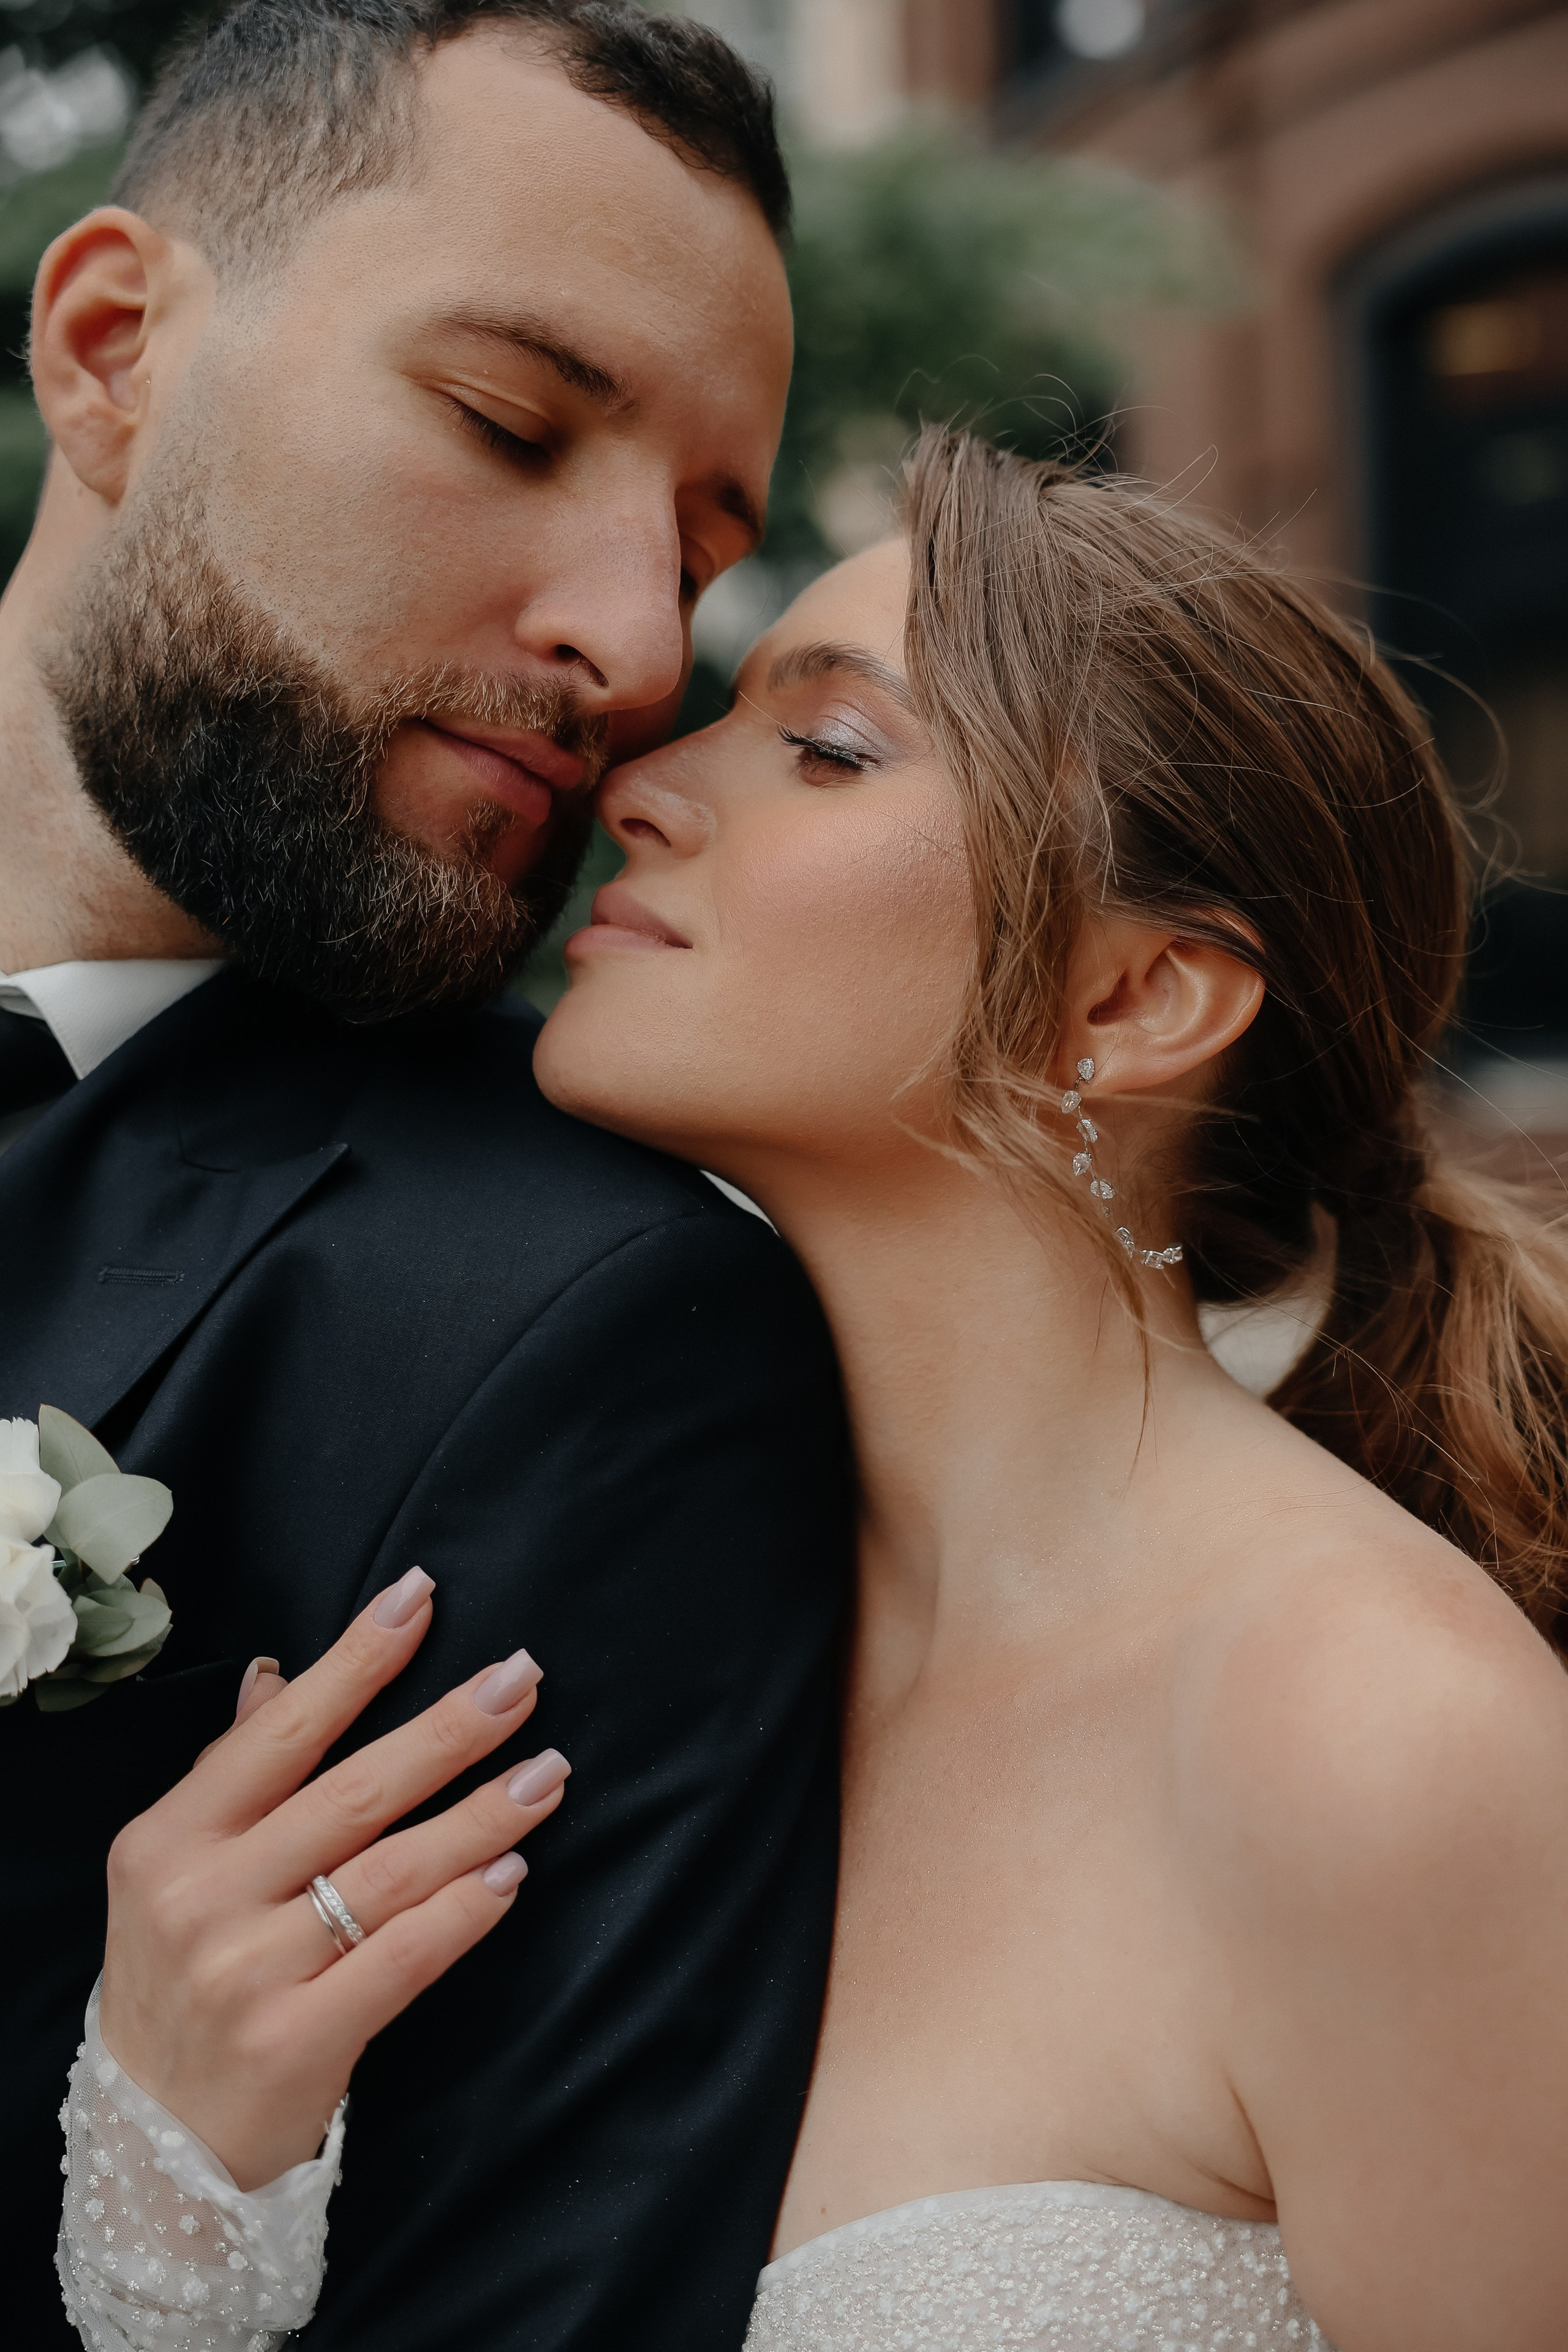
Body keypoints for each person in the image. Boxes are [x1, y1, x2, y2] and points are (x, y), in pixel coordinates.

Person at [70, 428, 1568, 2351]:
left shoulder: (1384, 1744)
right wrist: (194, 2173)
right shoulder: (637, 1622)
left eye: (830, 747)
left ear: (1135, 1001)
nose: (641, 784)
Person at [2, 6, 854, 2350]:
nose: (632, 645)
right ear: (110, 350)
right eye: (510, 424)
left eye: (701, 538)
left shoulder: (594, 1329)